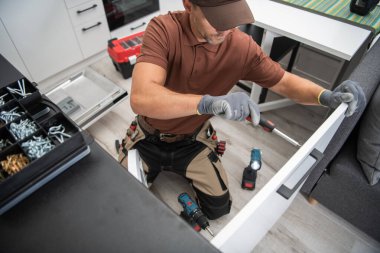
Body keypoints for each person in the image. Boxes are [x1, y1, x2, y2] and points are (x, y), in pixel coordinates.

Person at [118, 0, 362, 220]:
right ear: (189, 4)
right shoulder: (163, 29)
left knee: (218, 209)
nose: (224, 29)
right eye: (216, 19)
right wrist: (207, 103)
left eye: (231, 18)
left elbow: (284, 82)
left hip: (192, 140)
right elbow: (141, 97)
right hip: (149, 135)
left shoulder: (241, 47)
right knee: (121, 201)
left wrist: (325, 96)